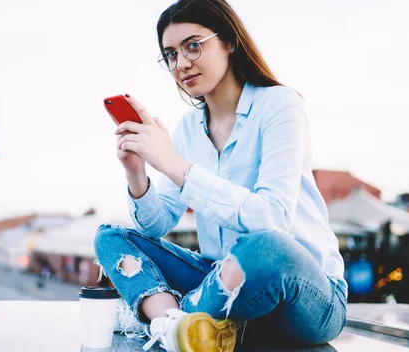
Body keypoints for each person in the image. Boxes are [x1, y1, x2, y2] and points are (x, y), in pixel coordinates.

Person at [93, 1, 347, 351]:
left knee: (265, 247)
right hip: (222, 285)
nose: (181, 64)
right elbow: (154, 225)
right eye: (170, 54)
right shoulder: (188, 130)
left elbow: (272, 219)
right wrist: (137, 173)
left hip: (304, 297)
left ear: (228, 41)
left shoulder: (280, 105)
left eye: (193, 45)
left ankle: (172, 321)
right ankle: (177, 326)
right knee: (109, 236)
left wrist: (173, 164)